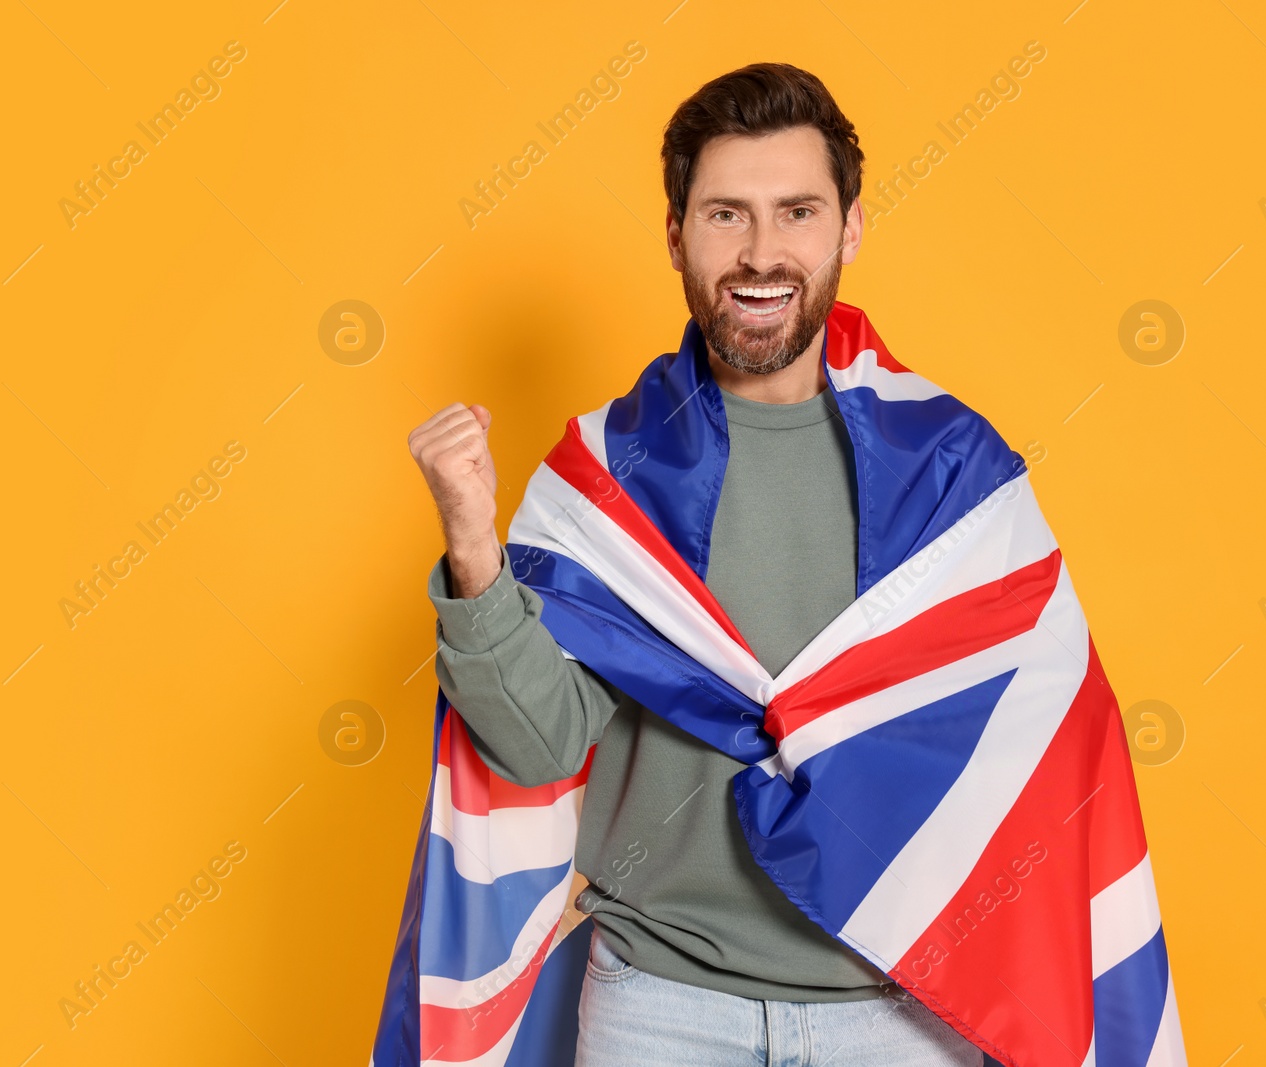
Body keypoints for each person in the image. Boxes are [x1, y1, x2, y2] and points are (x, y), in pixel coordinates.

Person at [407, 63, 993, 1066]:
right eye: (725, 214)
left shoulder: (947, 465)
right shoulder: (608, 474)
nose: (762, 251)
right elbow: (538, 743)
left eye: (796, 211)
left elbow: (1028, 742)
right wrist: (472, 539)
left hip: (904, 1009)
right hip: (663, 1007)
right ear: (675, 233)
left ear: (848, 229)